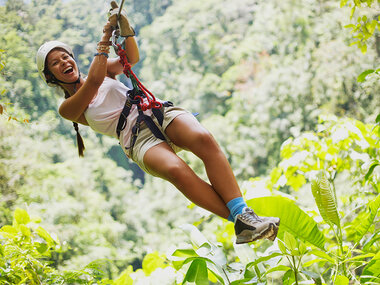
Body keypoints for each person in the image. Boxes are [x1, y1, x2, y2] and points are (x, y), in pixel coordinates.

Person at [36, 5, 280, 244]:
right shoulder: (69, 108)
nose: (64, 62)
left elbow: (131, 58)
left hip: (154, 111)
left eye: (65, 56)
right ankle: (243, 221)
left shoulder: (104, 69)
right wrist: (106, 34)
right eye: (56, 63)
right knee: (176, 170)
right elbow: (94, 82)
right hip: (136, 139)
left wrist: (126, 28)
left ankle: (244, 215)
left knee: (204, 139)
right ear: (50, 76)